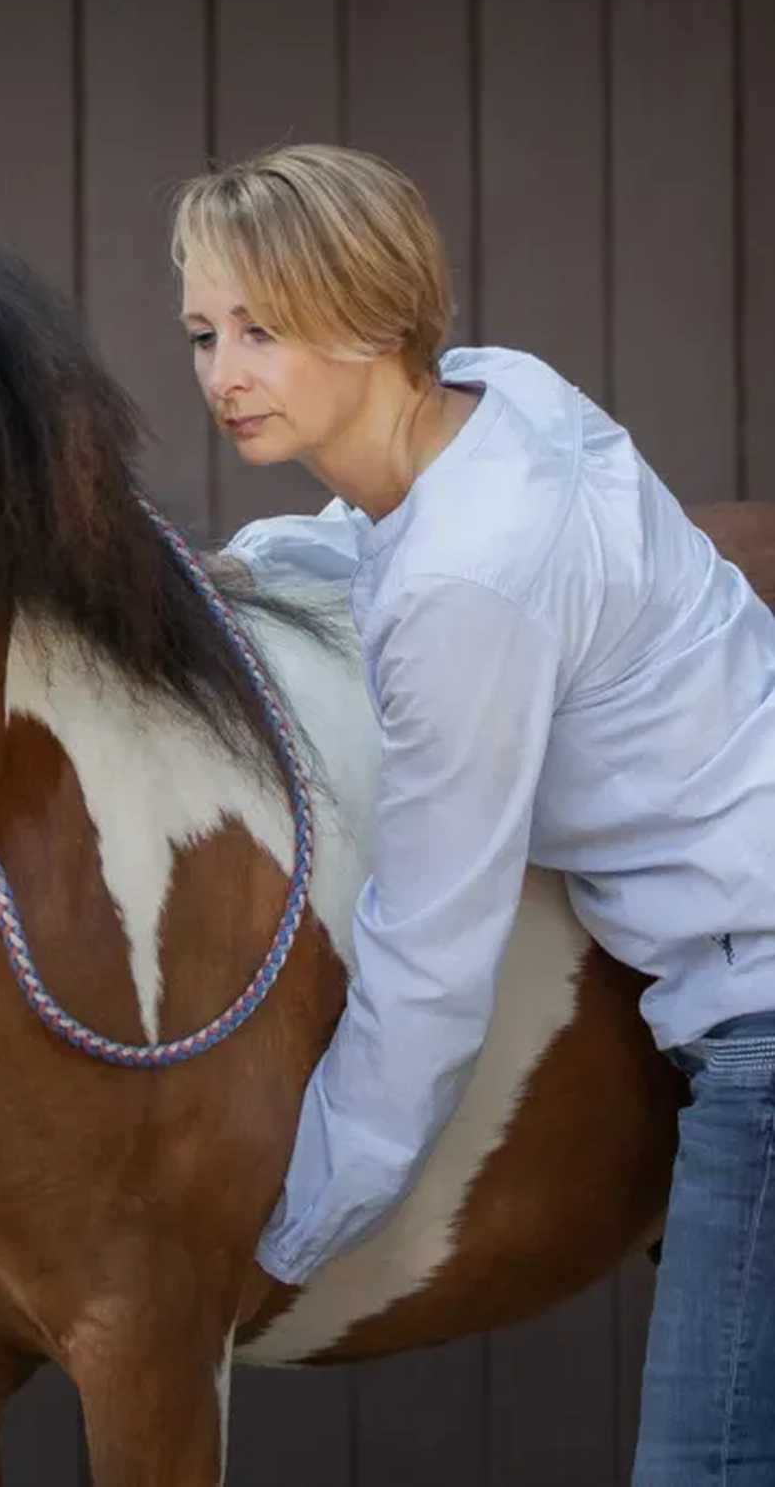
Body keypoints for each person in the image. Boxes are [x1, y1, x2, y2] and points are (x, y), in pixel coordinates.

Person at [172, 142, 775, 1485]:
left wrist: (281, 1237)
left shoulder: (465, 593)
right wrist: (255, 562)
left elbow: (432, 957)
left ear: (375, 315)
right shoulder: (507, 396)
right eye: (205, 332)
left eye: (263, 329)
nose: (222, 374)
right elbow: (394, 542)